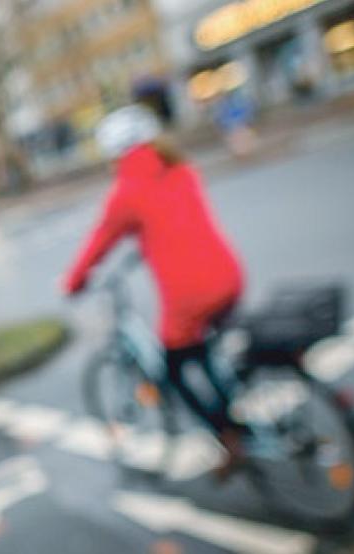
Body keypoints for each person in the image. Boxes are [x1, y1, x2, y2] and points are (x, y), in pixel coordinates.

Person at [63, 105, 246, 465]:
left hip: (192, 294)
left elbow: (98, 243)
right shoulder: (182, 170)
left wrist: (73, 282)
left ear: (115, 153)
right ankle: (233, 418)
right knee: (200, 352)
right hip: (228, 276)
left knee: (171, 370)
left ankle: (227, 437)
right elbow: (176, 221)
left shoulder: (126, 193)